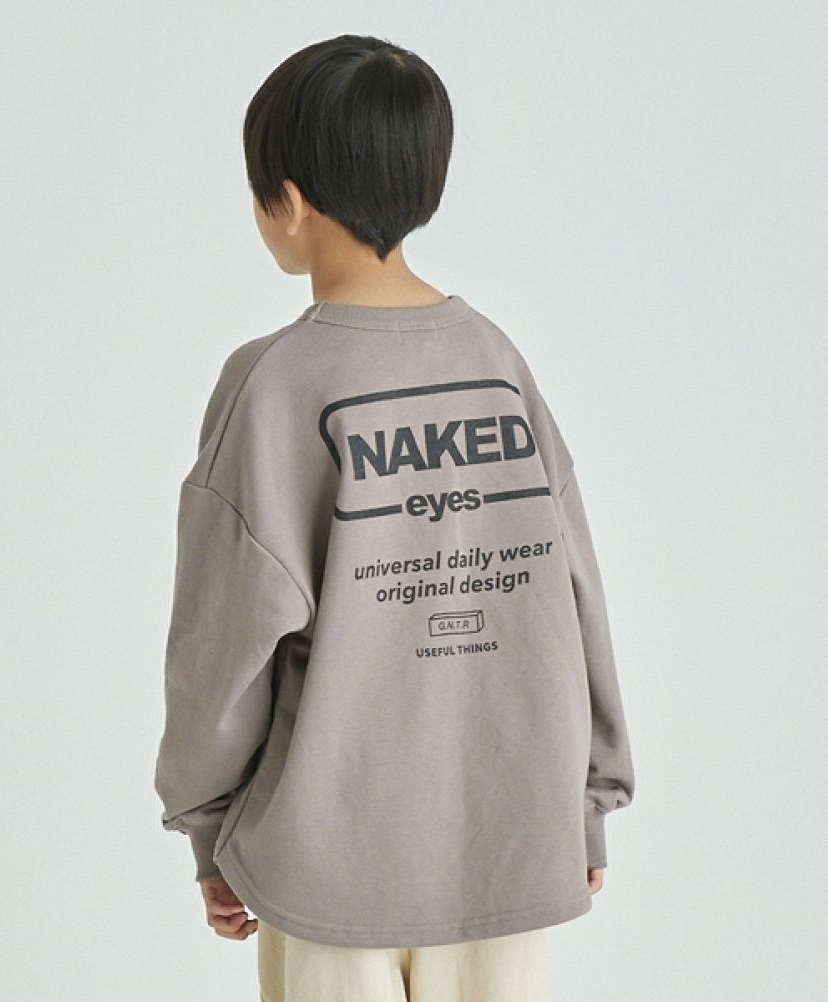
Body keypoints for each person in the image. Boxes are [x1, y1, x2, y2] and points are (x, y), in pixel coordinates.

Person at [153, 33, 635, 1002]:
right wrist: (585, 803)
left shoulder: (272, 385)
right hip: (504, 848)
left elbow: (225, 637)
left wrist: (209, 827)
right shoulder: (496, 361)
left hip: (326, 863)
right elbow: (572, 591)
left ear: (289, 201)